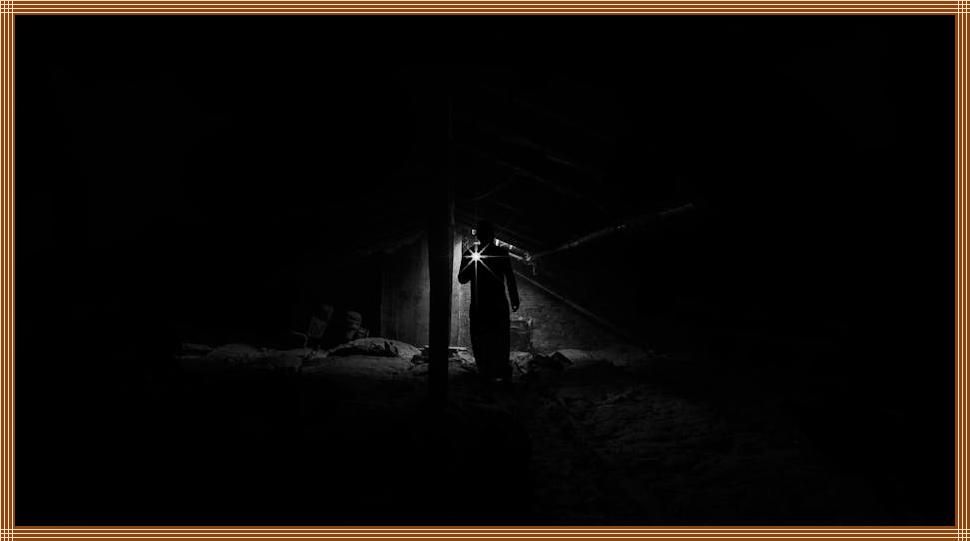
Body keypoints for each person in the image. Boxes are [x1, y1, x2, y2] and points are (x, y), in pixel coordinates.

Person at [457, 220, 519, 383]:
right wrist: (514, 299)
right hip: (496, 306)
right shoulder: (500, 253)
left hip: (481, 307)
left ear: (478, 236)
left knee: (484, 339)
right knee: (497, 339)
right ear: (492, 235)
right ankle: (495, 372)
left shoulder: (471, 253)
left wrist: (515, 298)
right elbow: (510, 279)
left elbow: (462, 279)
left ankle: (488, 372)